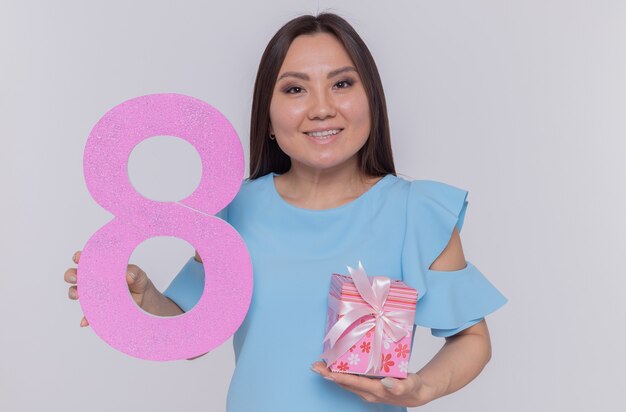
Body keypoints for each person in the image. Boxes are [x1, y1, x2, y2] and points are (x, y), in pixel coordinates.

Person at [64, 12, 507, 411]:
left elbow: (470, 337)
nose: (321, 108)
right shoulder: (233, 210)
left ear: (371, 97)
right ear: (269, 114)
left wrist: (421, 388)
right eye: (295, 88)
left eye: (342, 83)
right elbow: (192, 332)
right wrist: (141, 297)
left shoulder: (419, 211)